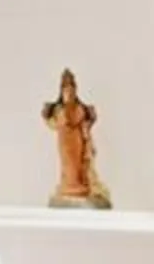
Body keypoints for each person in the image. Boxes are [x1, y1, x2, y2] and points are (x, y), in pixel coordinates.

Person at [43, 67, 111, 207]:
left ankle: (78, 186)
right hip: (65, 141)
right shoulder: (59, 110)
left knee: (77, 164)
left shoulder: (79, 108)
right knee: (68, 165)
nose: (69, 91)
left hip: (76, 140)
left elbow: (81, 118)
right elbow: (55, 121)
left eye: (71, 87)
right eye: (65, 87)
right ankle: (69, 186)